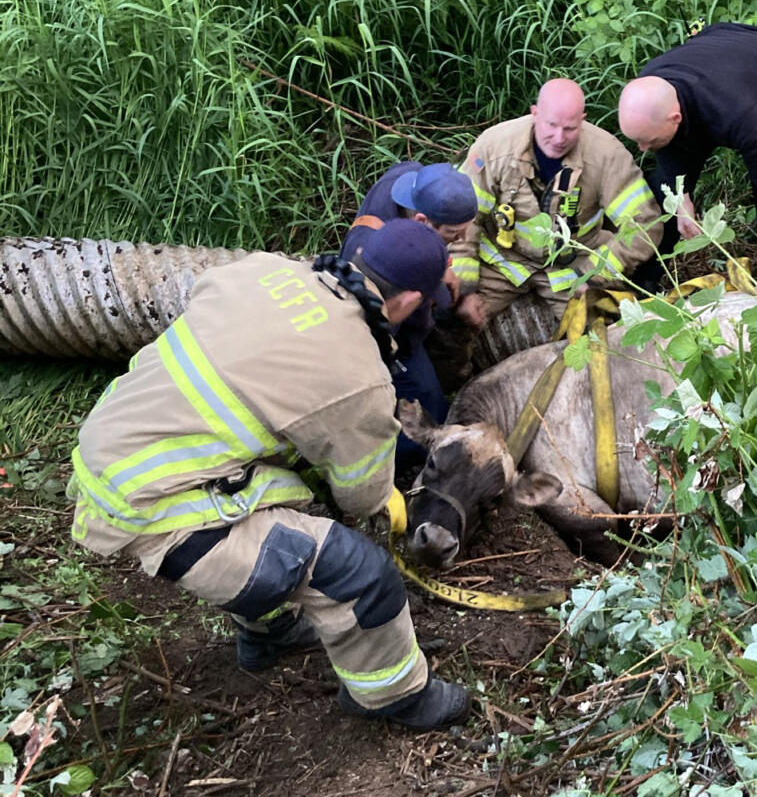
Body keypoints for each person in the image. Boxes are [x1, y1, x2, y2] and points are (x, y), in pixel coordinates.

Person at [69, 220, 470, 732]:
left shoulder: (263, 270)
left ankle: (270, 632)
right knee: (359, 573)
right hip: (155, 507)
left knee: (280, 498)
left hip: (111, 447)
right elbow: (359, 495)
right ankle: (397, 695)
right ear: (412, 300)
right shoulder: (361, 381)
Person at [618, 22, 757, 295]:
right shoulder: (651, 87)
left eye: (648, 141)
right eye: (638, 140)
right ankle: (644, 282)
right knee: (665, 190)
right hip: (714, 55)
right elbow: (665, 149)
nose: (642, 149)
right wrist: (683, 197)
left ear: (675, 118)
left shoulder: (739, 115)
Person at [450, 78, 662, 323]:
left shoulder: (607, 155)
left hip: (572, 267)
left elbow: (645, 225)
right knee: (456, 325)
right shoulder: (495, 146)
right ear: (535, 113)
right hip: (503, 262)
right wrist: (464, 289)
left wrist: (594, 275)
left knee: (600, 339)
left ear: (582, 119)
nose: (559, 137)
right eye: (551, 125)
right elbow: (463, 218)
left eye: (570, 129)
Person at [341, 161, 481, 469]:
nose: (463, 238)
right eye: (454, 234)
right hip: (374, 328)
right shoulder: (369, 251)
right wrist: (442, 292)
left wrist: (440, 264)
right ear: (422, 220)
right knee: (430, 403)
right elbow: (408, 328)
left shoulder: (411, 179)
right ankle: (394, 462)